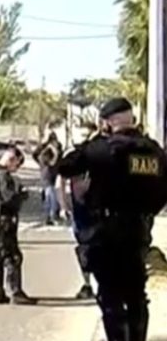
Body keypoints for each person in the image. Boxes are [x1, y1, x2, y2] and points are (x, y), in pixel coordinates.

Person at [58, 97, 167, 341]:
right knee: (136, 293)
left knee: (110, 294)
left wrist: (92, 140)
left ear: (107, 122)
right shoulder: (154, 152)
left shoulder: (100, 149)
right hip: (139, 229)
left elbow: (66, 165)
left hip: (106, 232)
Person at [0, 147, 36, 305]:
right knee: (12, 256)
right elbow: (9, 199)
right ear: (12, 160)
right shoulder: (3, 177)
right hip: (3, 219)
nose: (15, 169)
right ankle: (15, 291)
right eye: (16, 165)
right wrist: (22, 194)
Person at [62, 121, 99, 300]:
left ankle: (101, 284)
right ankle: (87, 284)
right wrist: (63, 204)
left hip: (98, 209)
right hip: (79, 210)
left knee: (100, 247)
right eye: (81, 135)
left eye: (87, 136)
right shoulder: (72, 155)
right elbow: (60, 181)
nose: (83, 139)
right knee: (83, 249)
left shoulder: (100, 153)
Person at [33, 131, 64, 225]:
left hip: (52, 173)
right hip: (48, 174)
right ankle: (50, 216)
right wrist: (43, 164)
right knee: (50, 195)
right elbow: (47, 160)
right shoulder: (46, 149)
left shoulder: (56, 147)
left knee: (51, 194)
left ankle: (51, 215)